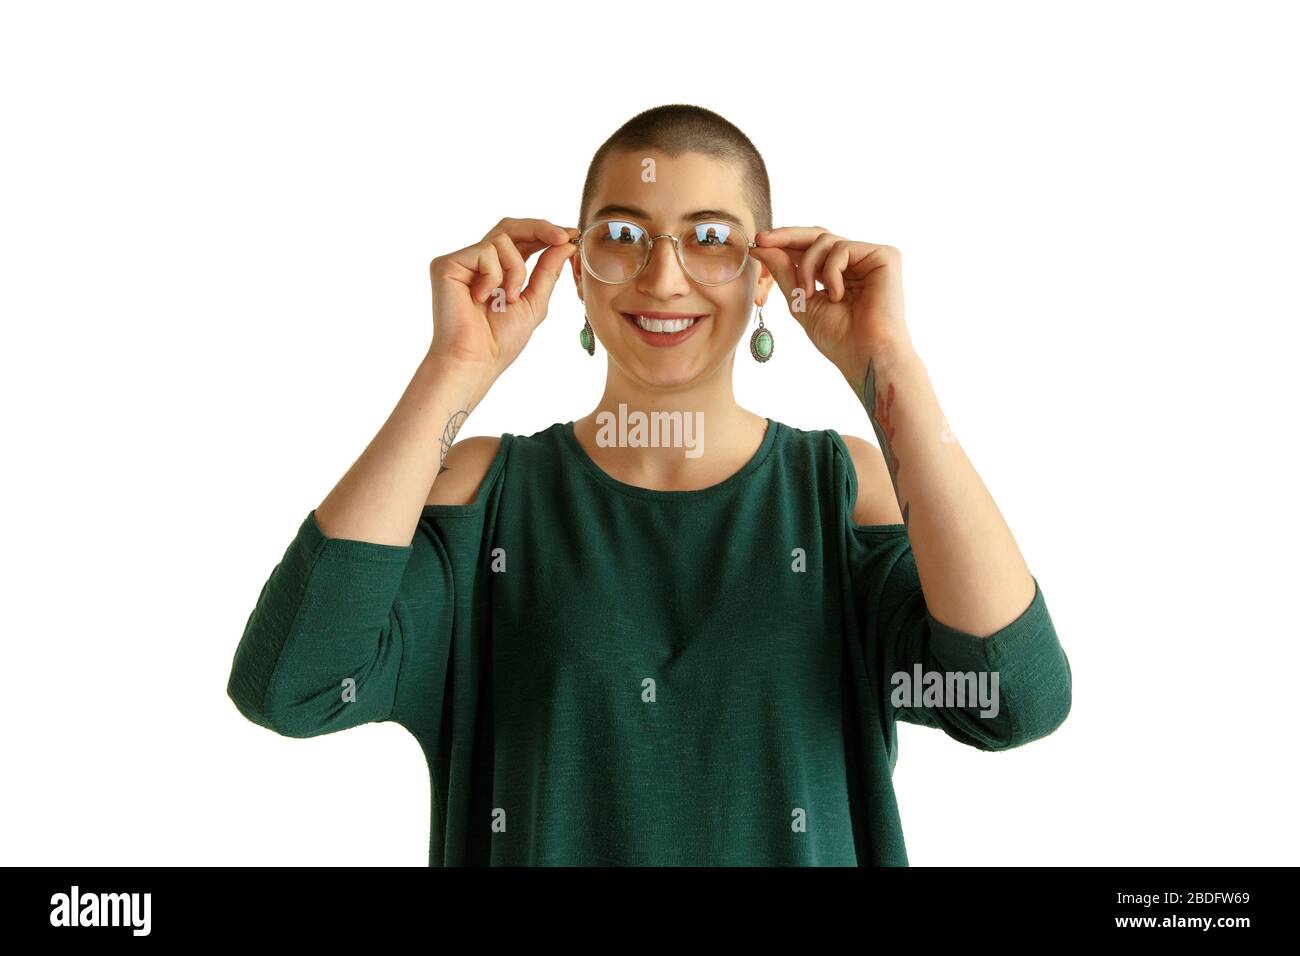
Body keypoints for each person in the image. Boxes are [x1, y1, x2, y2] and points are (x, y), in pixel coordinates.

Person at [226, 104, 1072, 866]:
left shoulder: (842, 488)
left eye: (711, 237)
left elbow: (1014, 696)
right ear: (577, 270)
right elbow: (291, 682)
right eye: (624, 237)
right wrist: (451, 373)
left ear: (764, 275)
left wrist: (891, 367)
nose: (664, 280)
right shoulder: (487, 493)